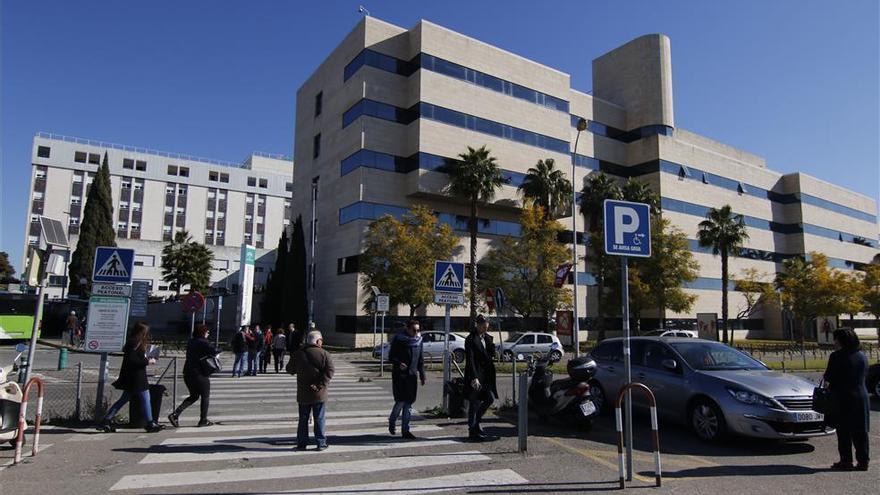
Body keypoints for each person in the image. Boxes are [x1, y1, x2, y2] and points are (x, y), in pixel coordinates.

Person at [96, 322, 164, 433]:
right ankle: (150, 423)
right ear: (140, 332)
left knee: (125, 400)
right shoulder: (134, 343)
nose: (146, 335)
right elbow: (133, 360)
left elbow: (133, 359)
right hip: (136, 377)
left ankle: (106, 420)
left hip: (134, 377)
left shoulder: (134, 343)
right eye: (144, 332)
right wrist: (148, 361)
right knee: (145, 399)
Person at [823, 327, 870, 471]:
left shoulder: (837, 356)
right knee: (860, 431)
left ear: (840, 340)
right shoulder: (862, 355)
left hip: (842, 397)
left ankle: (846, 461)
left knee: (844, 431)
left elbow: (828, 377)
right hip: (861, 395)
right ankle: (863, 461)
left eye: (835, 338)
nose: (834, 341)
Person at [168, 324, 218, 427]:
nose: (208, 334)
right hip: (199, 373)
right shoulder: (203, 342)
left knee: (194, 395)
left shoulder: (191, 341)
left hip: (188, 372)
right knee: (205, 396)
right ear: (203, 332)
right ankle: (203, 420)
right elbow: (214, 350)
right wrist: (218, 350)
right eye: (207, 332)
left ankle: (175, 414)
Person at [292, 330, 335, 451]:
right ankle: (321, 443)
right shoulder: (324, 354)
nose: (322, 342)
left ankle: (301, 443)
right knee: (319, 418)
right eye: (321, 340)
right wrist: (320, 384)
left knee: (303, 419)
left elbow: (289, 369)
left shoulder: (298, 353)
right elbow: (330, 371)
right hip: (319, 393)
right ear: (317, 341)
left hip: (303, 393)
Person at [388, 319, 425, 439]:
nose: (416, 333)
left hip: (412, 376)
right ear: (408, 329)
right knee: (400, 401)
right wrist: (399, 363)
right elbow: (391, 357)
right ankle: (392, 421)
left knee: (409, 403)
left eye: (418, 330)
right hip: (400, 376)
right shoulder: (399, 340)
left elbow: (420, 360)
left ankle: (405, 431)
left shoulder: (419, 341)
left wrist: (422, 374)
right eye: (414, 330)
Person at [464, 314, 498, 442]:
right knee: (475, 402)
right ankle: (472, 430)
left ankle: (477, 422)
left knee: (490, 398)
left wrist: (493, 349)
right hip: (476, 375)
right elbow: (470, 360)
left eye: (487, 327)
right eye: (483, 326)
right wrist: (474, 377)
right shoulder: (471, 339)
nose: (485, 329)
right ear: (477, 325)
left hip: (487, 375)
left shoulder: (488, 338)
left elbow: (490, 355)